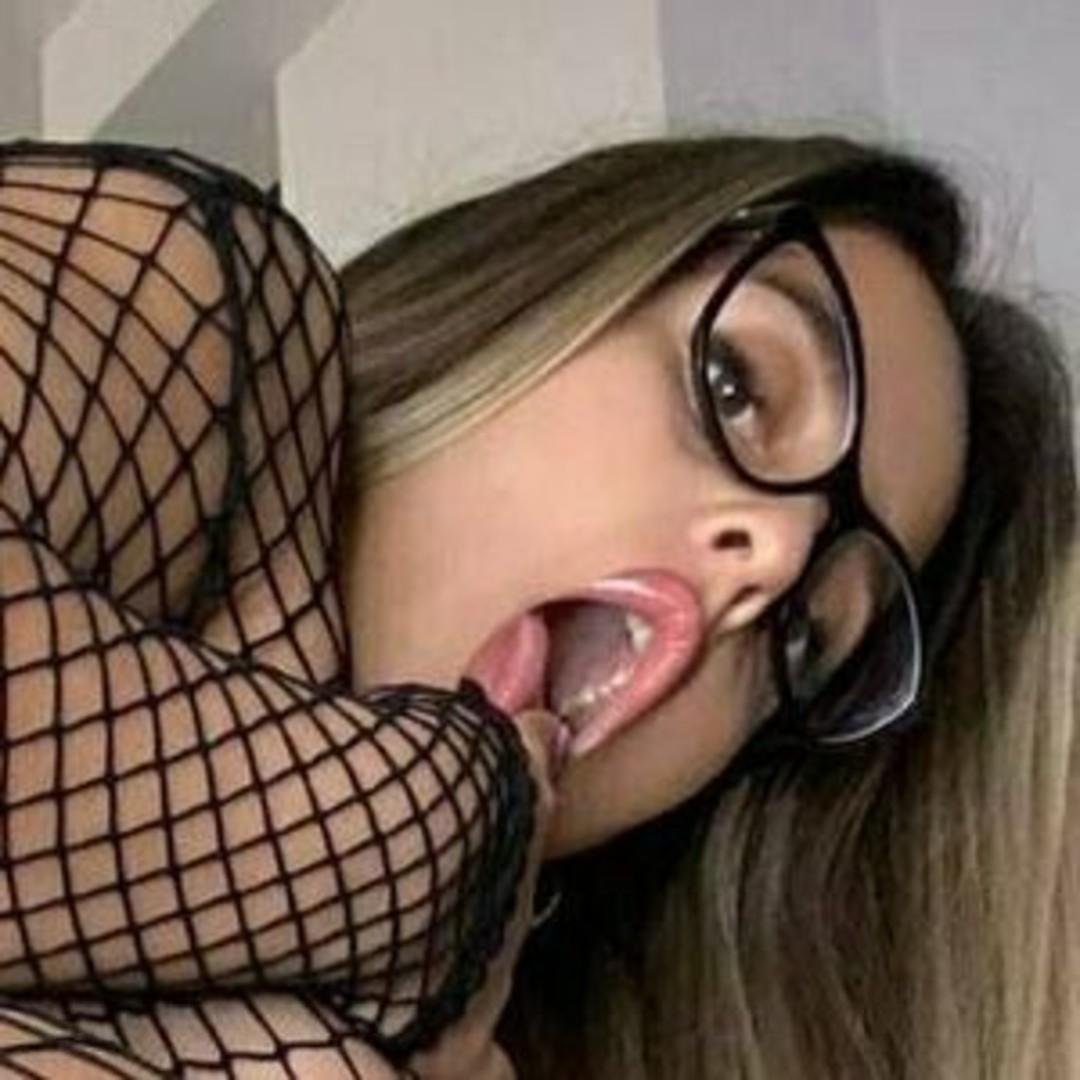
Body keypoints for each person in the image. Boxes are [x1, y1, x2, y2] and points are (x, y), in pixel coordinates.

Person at [0, 132, 1075, 1079]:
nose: (777, 556)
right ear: (542, 286)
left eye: (805, 637)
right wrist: (427, 833)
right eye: (737, 385)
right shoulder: (209, 303)